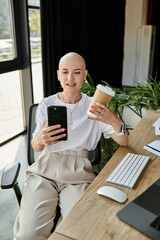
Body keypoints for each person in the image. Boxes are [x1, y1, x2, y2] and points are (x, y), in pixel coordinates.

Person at [14, 52, 128, 240]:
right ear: (58, 75)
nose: (70, 78)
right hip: (45, 170)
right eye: (65, 72)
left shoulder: (95, 105)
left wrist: (116, 122)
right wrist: (40, 140)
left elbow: (124, 142)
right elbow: (36, 147)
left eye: (77, 72)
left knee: (76, 232)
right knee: (28, 234)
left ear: (85, 75)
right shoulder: (46, 104)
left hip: (78, 174)